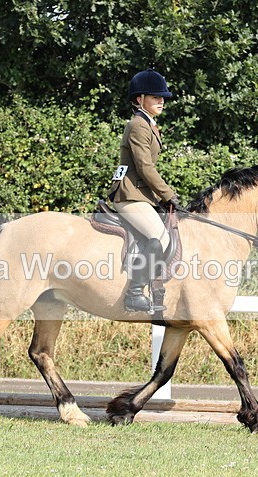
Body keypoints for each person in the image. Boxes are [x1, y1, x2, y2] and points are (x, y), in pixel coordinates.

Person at [108, 68, 181, 312]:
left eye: (162, 97)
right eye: (154, 97)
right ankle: (134, 293)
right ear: (139, 99)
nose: (161, 101)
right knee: (160, 237)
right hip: (129, 195)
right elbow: (144, 167)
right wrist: (168, 195)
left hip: (140, 194)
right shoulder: (138, 125)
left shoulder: (148, 124)